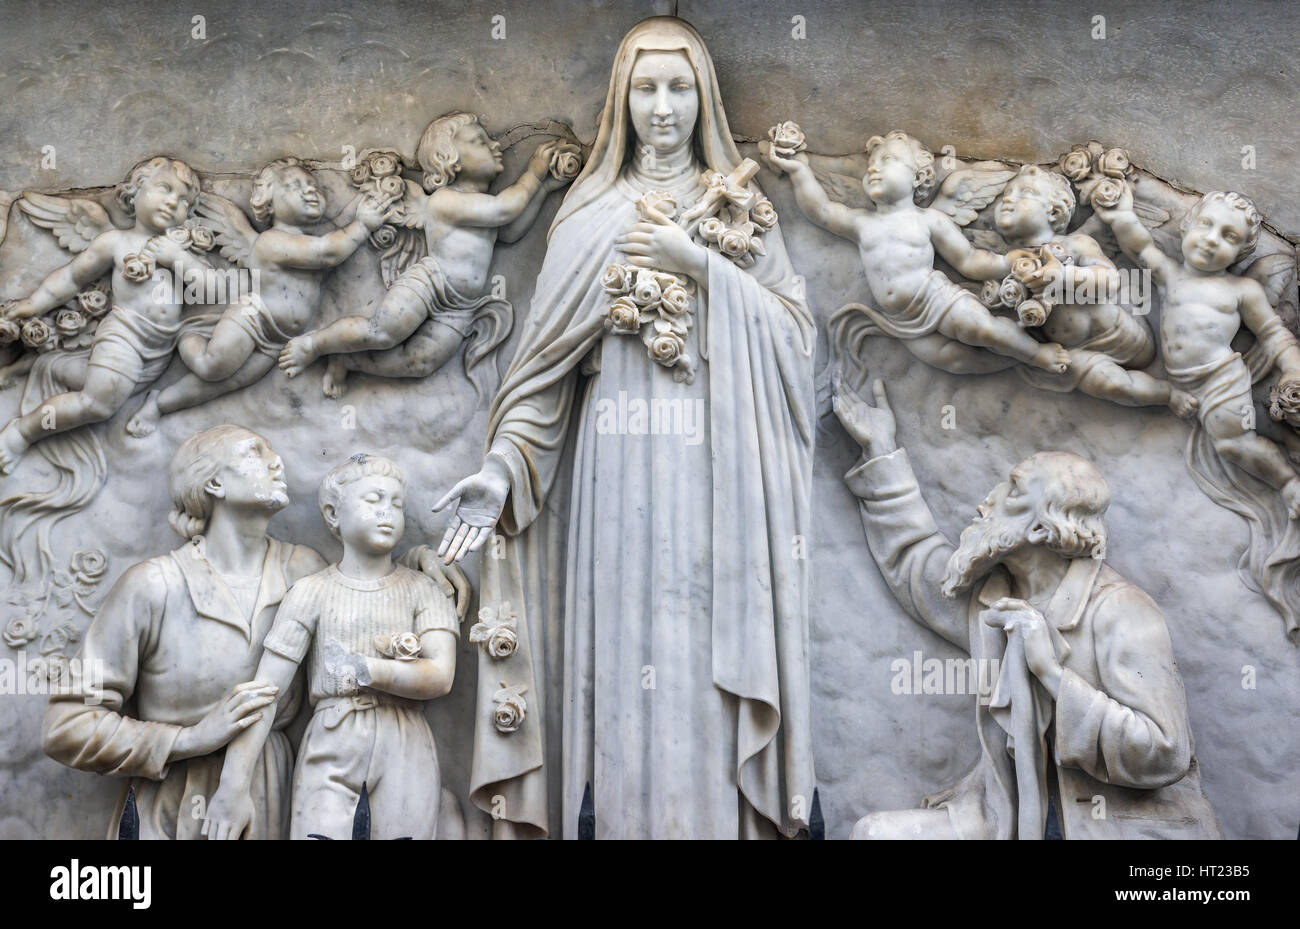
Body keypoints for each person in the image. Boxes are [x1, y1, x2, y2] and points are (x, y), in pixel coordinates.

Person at [433, 16, 816, 839]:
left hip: (717, 469)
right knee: (622, 644)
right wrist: (501, 470)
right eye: (646, 88)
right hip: (614, 466)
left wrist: (697, 261)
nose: (663, 106)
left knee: (703, 637)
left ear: (703, 97)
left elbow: (792, 343)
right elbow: (540, 373)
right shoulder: (590, 214)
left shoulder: (741, 209)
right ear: (623, 99)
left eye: (680, 87)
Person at [833, 377, 1222, 839]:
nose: (987, 502)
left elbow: (1163, 752)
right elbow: (919, 565)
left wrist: (1053, 674)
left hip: (1118, 828)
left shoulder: (1123, 612)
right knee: (876, 834)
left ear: (1042, 529)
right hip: (1012, 819)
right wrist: (881, 451)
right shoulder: (994, 601)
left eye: (1012, 490)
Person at [41, 425, 326, 839]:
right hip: (169, 804)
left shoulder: (303, 570)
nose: (276, 460)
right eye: (254, 452)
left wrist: (431, 566)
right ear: (213, 482)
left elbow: (370, 602)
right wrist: (189, 739)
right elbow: (65, 725)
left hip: (268, 797)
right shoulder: (153, 585)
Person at [204, 454, 459, 840]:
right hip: (333, 736)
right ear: (333, 514)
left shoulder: (422, 589)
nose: (387, 512)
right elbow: (265, 694)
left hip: (405, 740)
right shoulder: (311, 592)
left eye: (396, 504)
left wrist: (368, 670)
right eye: (373, 500)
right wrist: (233, 786)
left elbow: (440, 676)